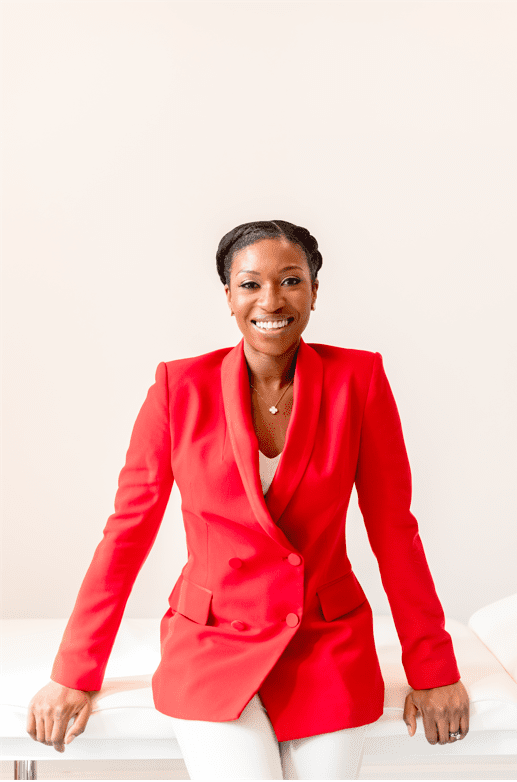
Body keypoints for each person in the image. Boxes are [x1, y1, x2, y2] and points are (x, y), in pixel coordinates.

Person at [27, 220, 469, 779]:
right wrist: (73, 673)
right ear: (229, 296)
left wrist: (432, 668)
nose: (271, 300)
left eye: (290, 281)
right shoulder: (177, 388)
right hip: (211, 640)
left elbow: (393, 530)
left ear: (314, 291)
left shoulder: (359, 380)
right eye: (250, 284)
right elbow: (127, 533)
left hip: (324, 642)